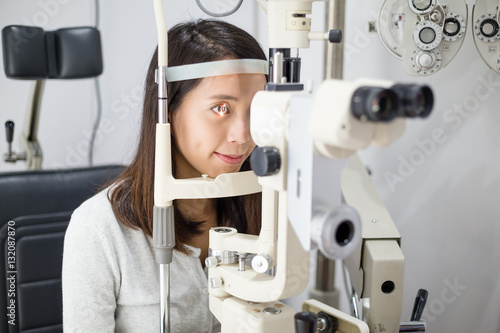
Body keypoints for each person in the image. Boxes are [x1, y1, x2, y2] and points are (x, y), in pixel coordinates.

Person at [62, 19, 267, 332]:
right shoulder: (100, 230)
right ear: (168, 110)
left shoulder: (264, 206)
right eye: (221, 108)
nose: (243, 135)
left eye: (256, 111)